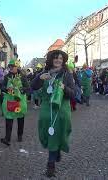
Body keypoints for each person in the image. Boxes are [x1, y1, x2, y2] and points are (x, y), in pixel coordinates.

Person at [31, 49, 75, 178]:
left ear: (63, 61)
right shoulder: (44, 72)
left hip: (62, 109)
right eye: (56, 58)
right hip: (46, 108)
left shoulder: (67, 74)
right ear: (51, 60)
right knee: (48, 132)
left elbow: (74, 94)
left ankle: (51, 166)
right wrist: (39, 78)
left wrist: (64, 88)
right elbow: (32, 87)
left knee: (58, 134)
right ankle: (55, 151)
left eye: (60, 58)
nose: (58, 60)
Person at [0, 59, 28, 146]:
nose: (11, 68)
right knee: (9, 118)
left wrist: (20, 90)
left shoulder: (22, 76)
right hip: (10, 101)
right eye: (10, 66)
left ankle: (20, 135)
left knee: (20, 118)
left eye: (13, 66)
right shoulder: (6, 76)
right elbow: (2, 87)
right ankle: (7, 138)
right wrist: (7, 89)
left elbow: (27, 87)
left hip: (20, 101)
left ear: (17, 66)